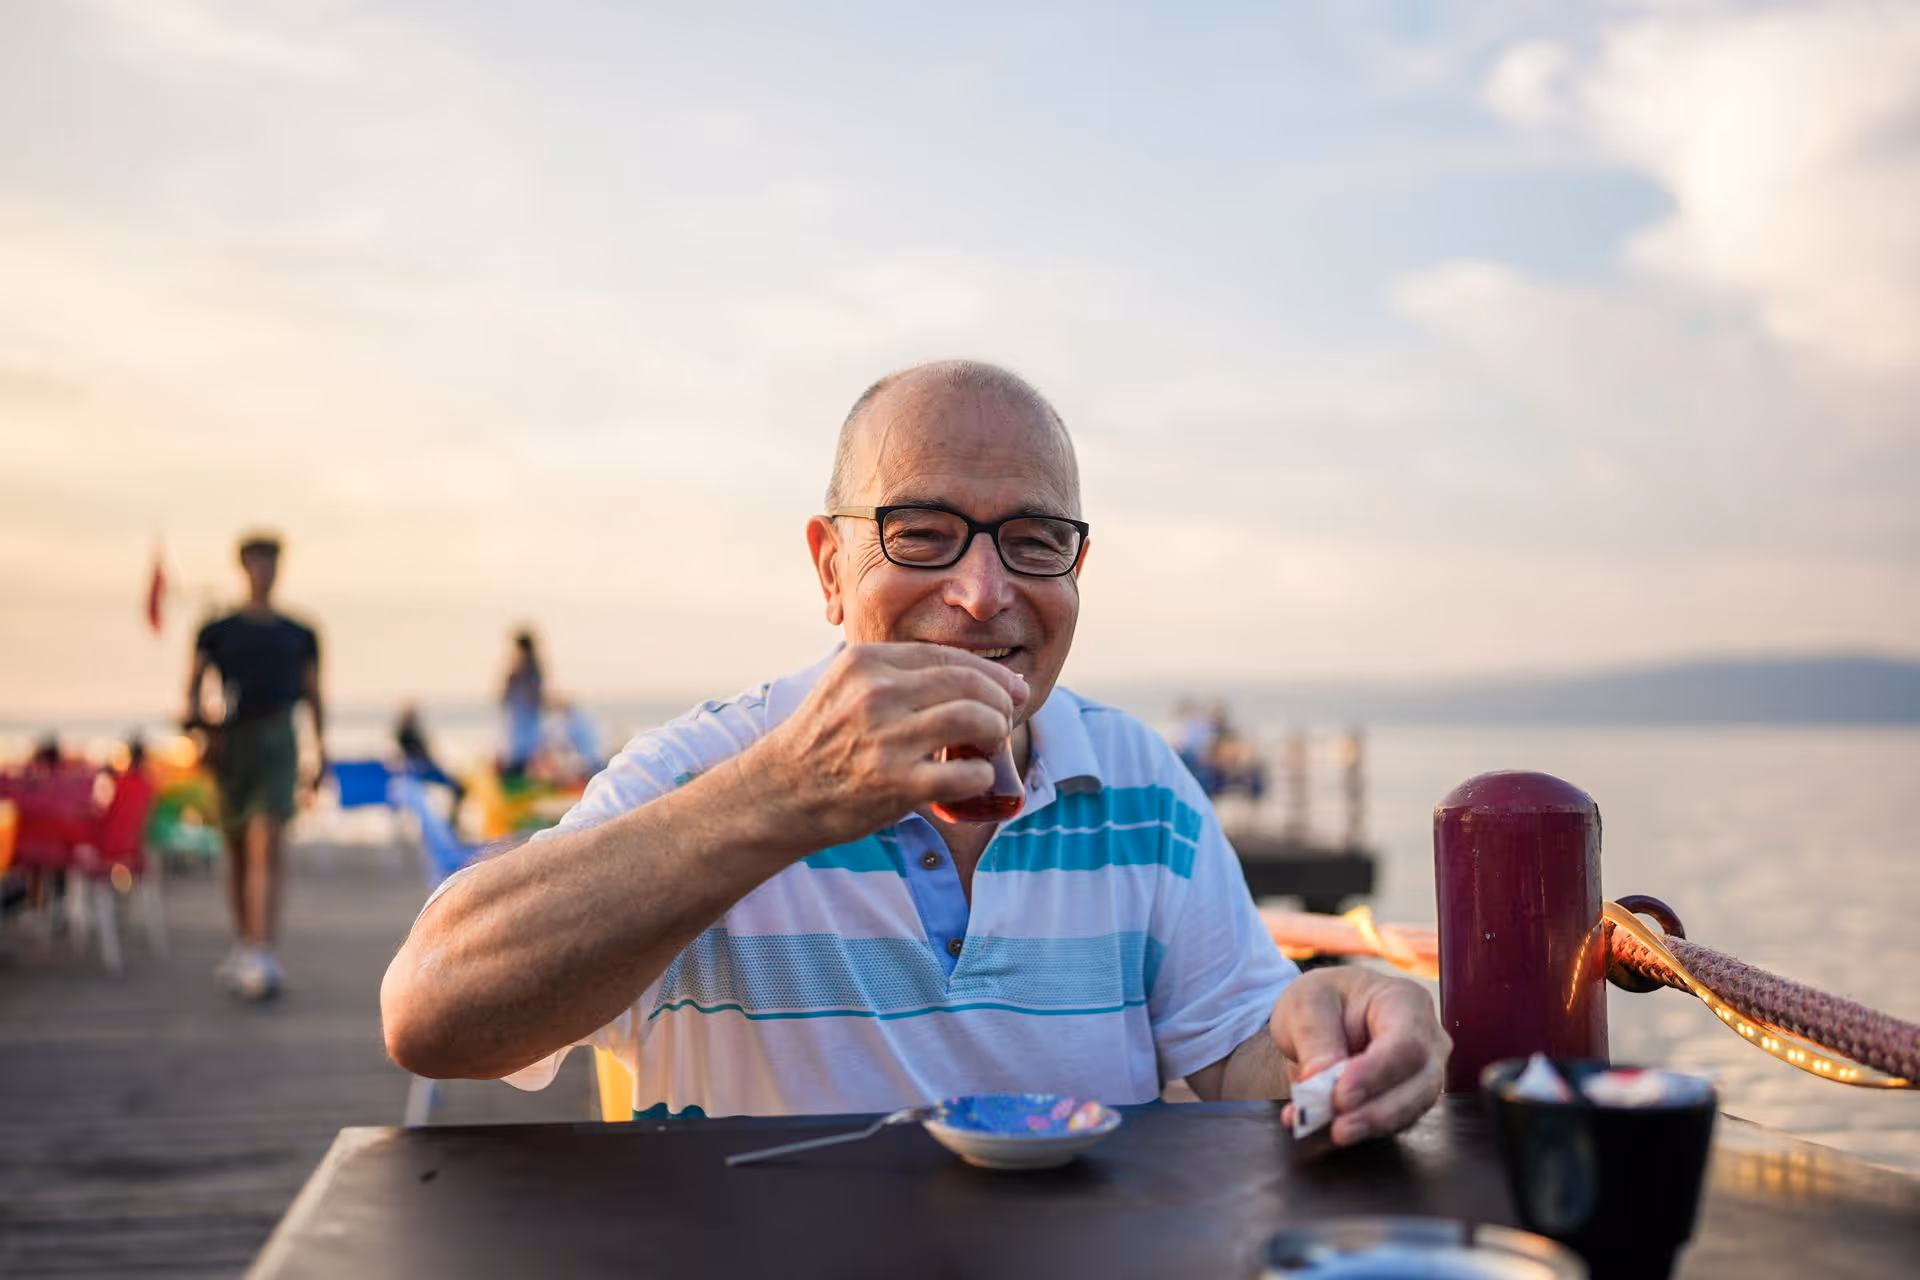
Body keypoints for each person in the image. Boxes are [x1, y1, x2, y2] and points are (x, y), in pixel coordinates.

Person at [383, 361, 1447, 1142]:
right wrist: (780, 800)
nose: (983, 593)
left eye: (1033, 540)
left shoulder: (1139, 786)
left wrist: (1330, 1024)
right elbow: (431, 1014)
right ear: (830, 567)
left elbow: (1239, 1053)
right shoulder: (715, 765)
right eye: (922, 532)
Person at [185, 532, 326, 1000]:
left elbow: (314, 696)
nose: (263, 571)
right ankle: (245, 943)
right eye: (255, 563)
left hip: (278, 738)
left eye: (270, 563)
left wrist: (319, 753)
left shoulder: (299, 633)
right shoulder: (218, 629)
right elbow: (192, 688)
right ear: (243, 567)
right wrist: (202, 735)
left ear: (278, 568)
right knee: (238, 848)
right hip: (231, 741)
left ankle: (262, 950)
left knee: (267, 837)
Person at [395, 702, 466, 813]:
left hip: (425, 768)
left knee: (457, 787)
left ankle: (452, 814)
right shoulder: (407, 734)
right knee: (457, 788)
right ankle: (452, 815)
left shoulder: (411, 733)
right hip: (422, 770)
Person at [499, 630, 545, 778]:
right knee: (516, 763)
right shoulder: (517, 672)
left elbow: (536, 701)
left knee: (521, 764)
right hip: (517, 728)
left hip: (526, 729)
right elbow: (503, 698)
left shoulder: (532, 672)